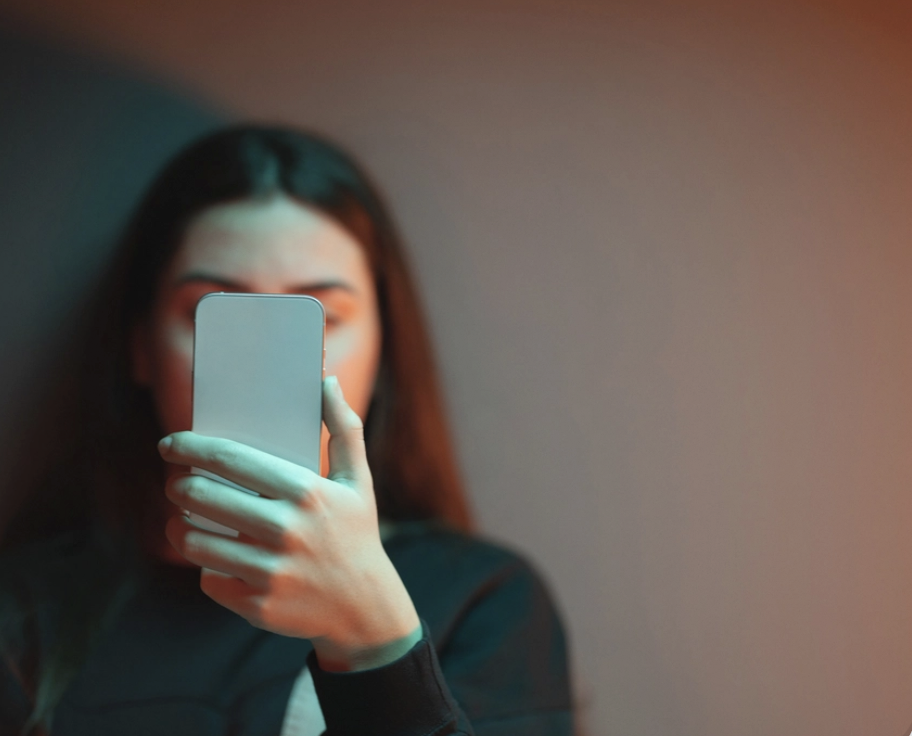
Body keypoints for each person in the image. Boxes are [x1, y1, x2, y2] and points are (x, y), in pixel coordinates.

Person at [0, 124, 575, 735]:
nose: (267, 364)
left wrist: (371, 640)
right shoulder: (24, 612)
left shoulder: (484, 602)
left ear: (384, 351)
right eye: (215, 311)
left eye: (317, 316)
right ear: (140, 348)